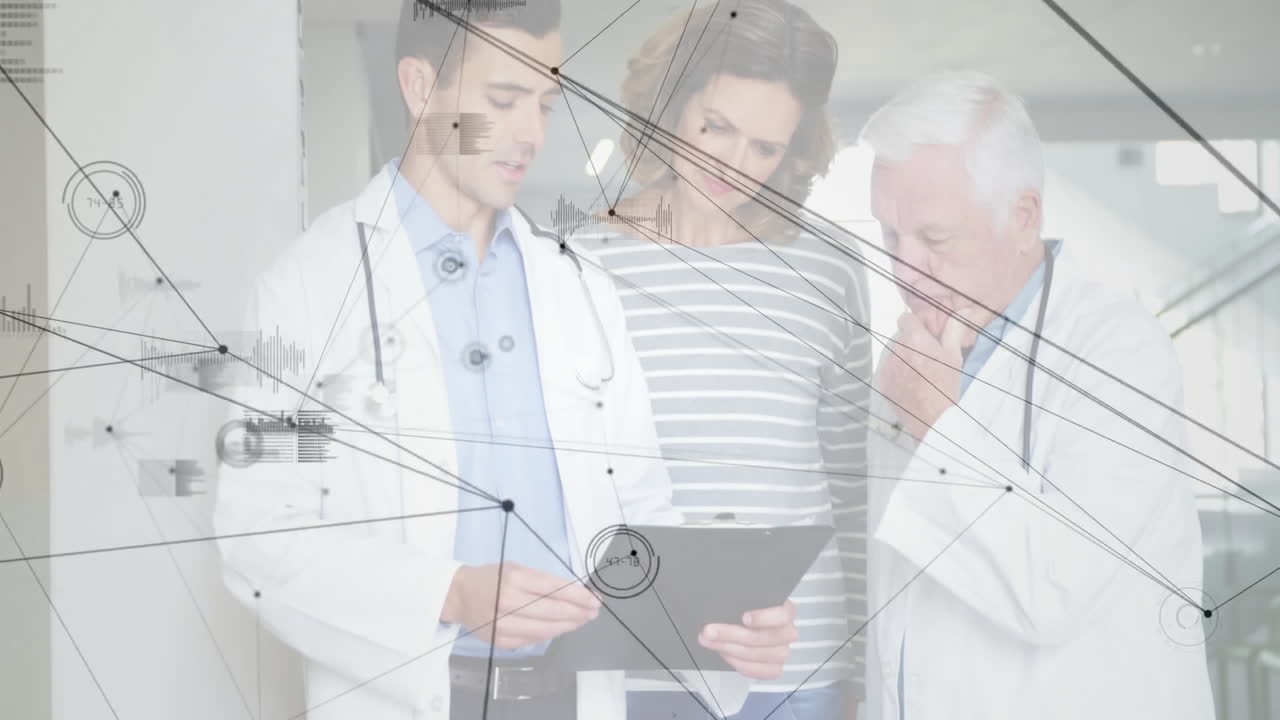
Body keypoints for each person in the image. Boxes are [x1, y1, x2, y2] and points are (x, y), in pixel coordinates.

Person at [211, 2, 798, 719]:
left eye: (546, 102)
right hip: (415, 697)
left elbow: (637, 507)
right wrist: (449, 592)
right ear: (420, 85)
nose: (532, 133)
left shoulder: (579, 287)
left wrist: (721, 621)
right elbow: (261, 537)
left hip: (570, 697)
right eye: (504, 99)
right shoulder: (303, 289)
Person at [857, 70, 1215, 720]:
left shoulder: (1118, 352)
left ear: (1023, 217)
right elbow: (895, 590)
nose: (905, 272)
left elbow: (1051, 590)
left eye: (935, 239)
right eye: (889, 236)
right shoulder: (909, 358)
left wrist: (936, 421)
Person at [573, 2, 870, 718]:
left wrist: (862, 661)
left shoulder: (830, 270)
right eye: (716, 127)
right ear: (670, 106)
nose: (732, 165)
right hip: (641, 669)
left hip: (798, 673)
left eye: (766, 147)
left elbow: (851, 482)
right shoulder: (580, 263)